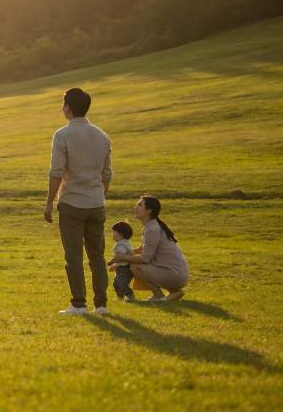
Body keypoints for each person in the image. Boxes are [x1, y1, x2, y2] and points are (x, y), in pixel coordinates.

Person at [44, 88, 113, 315]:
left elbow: (56, 172)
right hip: (96, 202)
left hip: (72, 202)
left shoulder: (62, 135)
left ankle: (78, 304)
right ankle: (101, 304)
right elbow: (107, 174)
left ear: (68, 108)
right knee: (97, 256)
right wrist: (100, 196)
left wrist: (49, 202)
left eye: (63, 104)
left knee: (73, 256)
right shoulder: (102, 135)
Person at [112, 196, 188, 302]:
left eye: (140, 205)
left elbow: (145, 258)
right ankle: (175, 292)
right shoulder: (151, 226)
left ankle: (158, 295)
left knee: (135, 266)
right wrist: (120, 256)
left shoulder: (152, 229)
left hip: (174, 274)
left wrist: (122, 257)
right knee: (134, 262)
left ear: (149, 211)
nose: (135, 208)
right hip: (176, 274)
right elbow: (141, 249)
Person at [108, 221, 135, 302]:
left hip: (125, 268)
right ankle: (120, 297)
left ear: (121, 234)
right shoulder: (123, 243)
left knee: (121, 283)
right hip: (122, 267)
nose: (112, 234)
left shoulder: (121, 245)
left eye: (114, 232)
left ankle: (129, 295)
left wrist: (111, 262)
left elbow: (120, 257)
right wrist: (115, 265)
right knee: (116, 283)